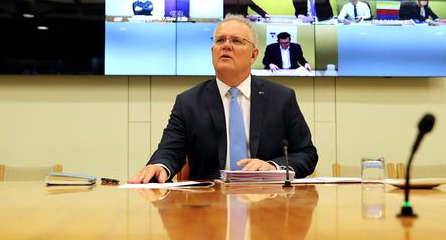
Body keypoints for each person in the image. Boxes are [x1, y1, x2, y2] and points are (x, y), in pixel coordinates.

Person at [128, 15, 318, 183]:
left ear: (253, 55)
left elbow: (306, 154)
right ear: (213, 51)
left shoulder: (281, 98)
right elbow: (170, 151)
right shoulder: (189, 102)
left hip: (268, 201)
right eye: (220, 40)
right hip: (208, 205)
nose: (226, 45)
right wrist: (159, 166)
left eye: (236, 40)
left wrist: (273, 166)